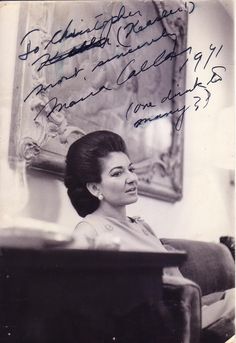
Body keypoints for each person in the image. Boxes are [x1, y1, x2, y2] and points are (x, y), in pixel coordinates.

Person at [64, 130, 234, 334]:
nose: (132, 178)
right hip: (164, 328)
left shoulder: (140, 225)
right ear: (93, 188)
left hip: (190, 314)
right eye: (117, 173)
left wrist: (223, 298)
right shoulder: (88, 232)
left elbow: (181, 288)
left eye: (130, 169)